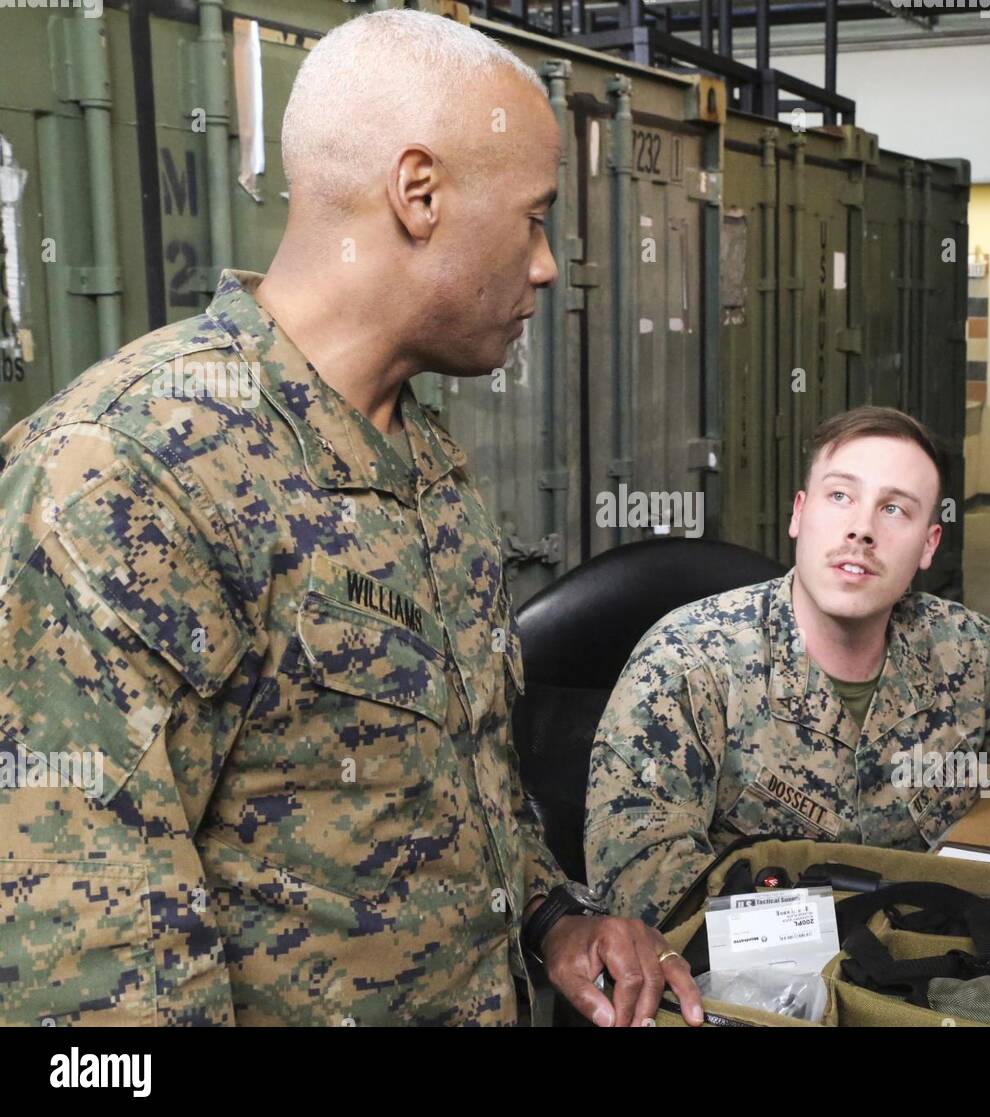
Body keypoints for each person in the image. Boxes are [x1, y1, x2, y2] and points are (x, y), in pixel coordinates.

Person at [0, 10, 699, 1028]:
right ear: (419, 193)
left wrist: (554, 915)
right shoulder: (126, 474)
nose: (546, 264)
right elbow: (89, 974)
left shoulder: (422, 463)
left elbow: (456, 785)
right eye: (535, 216)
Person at [585, 406, 990, 927]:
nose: (860, 530)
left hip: (921, 963)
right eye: (840, 496)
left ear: (929, 546)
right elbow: (642, 890)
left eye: (895, 510)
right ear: (800, 514)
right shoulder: (691, 660)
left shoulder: (964, 651)